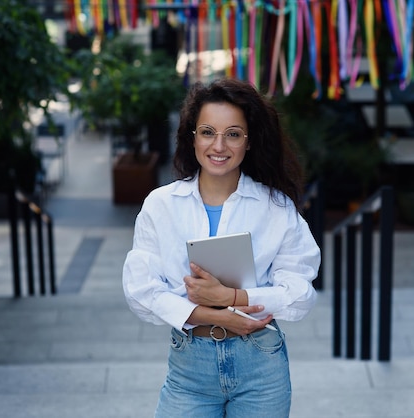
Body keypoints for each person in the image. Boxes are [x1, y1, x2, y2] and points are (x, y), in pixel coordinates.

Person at [122, 77, 321, 417]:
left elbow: (301, 294)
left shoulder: (276, 207)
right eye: (207, 132)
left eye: (233, 134)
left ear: (249, 141)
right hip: (189, 369)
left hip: (260, 365)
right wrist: (217, 315)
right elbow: (141, 291)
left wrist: (232, 298)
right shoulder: (161, 205)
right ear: (192, 137)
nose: (219, 146)